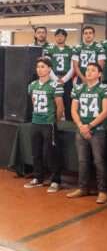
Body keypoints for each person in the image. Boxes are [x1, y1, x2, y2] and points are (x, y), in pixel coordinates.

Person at [68, 63, 107, 204]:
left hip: (97, 130)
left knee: (99, 161)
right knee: (82, 161)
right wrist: (81, 126)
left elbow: (105, 112)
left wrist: (90, 126)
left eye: (93, 70)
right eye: (87, 70)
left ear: (99, 74)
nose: (89, 72)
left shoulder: (105, 89)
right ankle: (82, 188)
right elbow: (74, 110)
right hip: (81, 129)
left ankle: (103, 191)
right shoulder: (79, 88)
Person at [24, 58, 64, 193]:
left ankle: (55, 180)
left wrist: (54, 121)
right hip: (36, 122)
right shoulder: (32, 85)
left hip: (48, 123)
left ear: (49, 69)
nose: (39, 69)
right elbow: (33, 103)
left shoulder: (55, 85)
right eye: (38, 67)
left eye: (42, 66)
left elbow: (60, 106)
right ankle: (38, 177)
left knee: (51, 153)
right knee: (36, 152)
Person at [44, 29, 75, 121]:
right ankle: (53, 121)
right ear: (55, 37)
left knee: (68, 101)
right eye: (57, 36)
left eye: (62, 36)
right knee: (53, 101)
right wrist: (55, 79)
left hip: (67, 78)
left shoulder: (71, 50)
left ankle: (69, 122)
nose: (60, 37)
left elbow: (73, 67)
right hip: (53, 77)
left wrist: (64, 79)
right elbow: (47, 65)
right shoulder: (50, 49)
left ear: (65, 37)